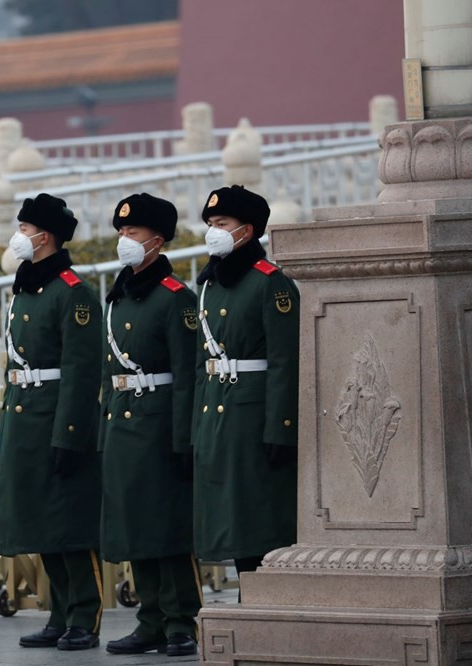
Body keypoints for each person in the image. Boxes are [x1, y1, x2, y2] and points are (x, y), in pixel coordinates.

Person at [0, 193, 104, 651]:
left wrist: (71, 433)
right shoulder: (26, 288)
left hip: (56, 418)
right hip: (26, 416)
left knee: (69, 523)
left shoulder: (72, 292)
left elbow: (81, 371)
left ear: (46, 236)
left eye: (24, 229)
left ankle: (85, 613)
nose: (19, 236)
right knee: (43, 521)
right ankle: (59, 613)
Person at [99, 193, 202, 656]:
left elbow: (187, 374)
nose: (124, 240)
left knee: (168, 525)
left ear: (157, 241)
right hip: (125, 423)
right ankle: (151, 619)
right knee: (137, 523)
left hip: (161, 423)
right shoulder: (118, 297)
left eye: (133, 233)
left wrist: (183, 438)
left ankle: (183, 619)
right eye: (121, 232)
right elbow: (110, 371)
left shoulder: (176, 299)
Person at [191, 184, 299, 595]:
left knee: (260, 517)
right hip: (219, 414)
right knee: (231, 518)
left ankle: (267, 599)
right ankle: (247, 595)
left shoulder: (270, 283)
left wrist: (281, 427)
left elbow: (285, 362)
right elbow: (202, 366)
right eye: (211, 224)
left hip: (254, 418)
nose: (213, 231)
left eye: (222, 224)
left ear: (248, 230)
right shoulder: (210, 285)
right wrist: (196, 431)